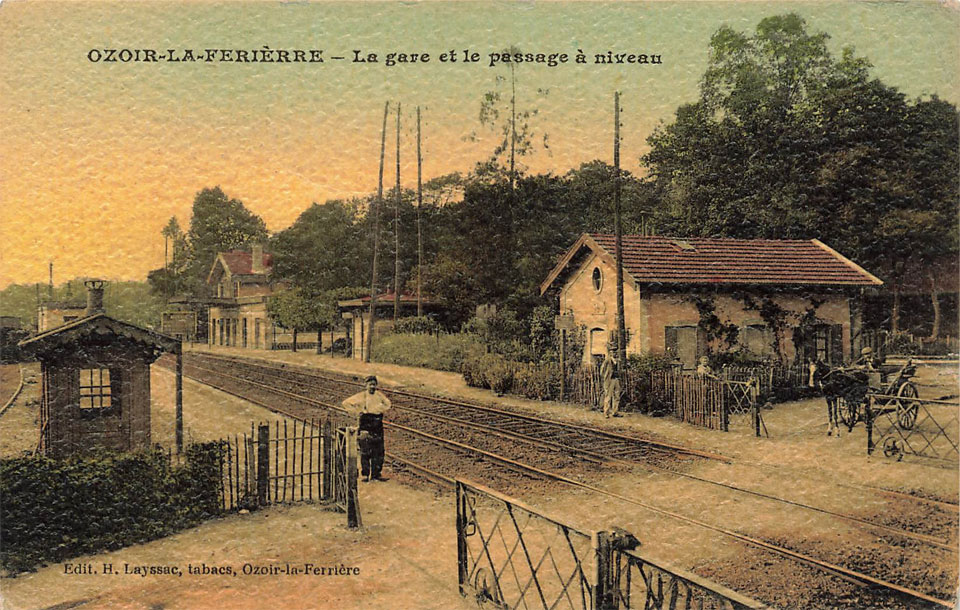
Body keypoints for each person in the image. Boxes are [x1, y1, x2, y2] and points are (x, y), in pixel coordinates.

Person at [341, 375, 391, 482]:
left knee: (379, 450)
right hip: (365, 422)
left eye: (374, 384)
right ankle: (365, 474)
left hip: (377, 423)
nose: (372, 387)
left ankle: (376, 474)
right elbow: (345, 403)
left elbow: (388, 404)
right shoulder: (361, 396)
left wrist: (379, 409)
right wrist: (357, 411)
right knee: (365, 449)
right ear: (366, 385)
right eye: (370, 384)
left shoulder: (379, 395)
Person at [600, 351, 622, 418]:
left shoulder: (617, 361)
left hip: (616, 379)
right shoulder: (607, 360)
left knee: (617, 396)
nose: (615, 353)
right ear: (610, 353)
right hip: (609, 380)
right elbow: (602, 369)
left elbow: (618, 370)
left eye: (616, 352)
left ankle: (615, 412)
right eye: (613, 352)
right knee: (608, 396)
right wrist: (605, 377)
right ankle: (606, 412)